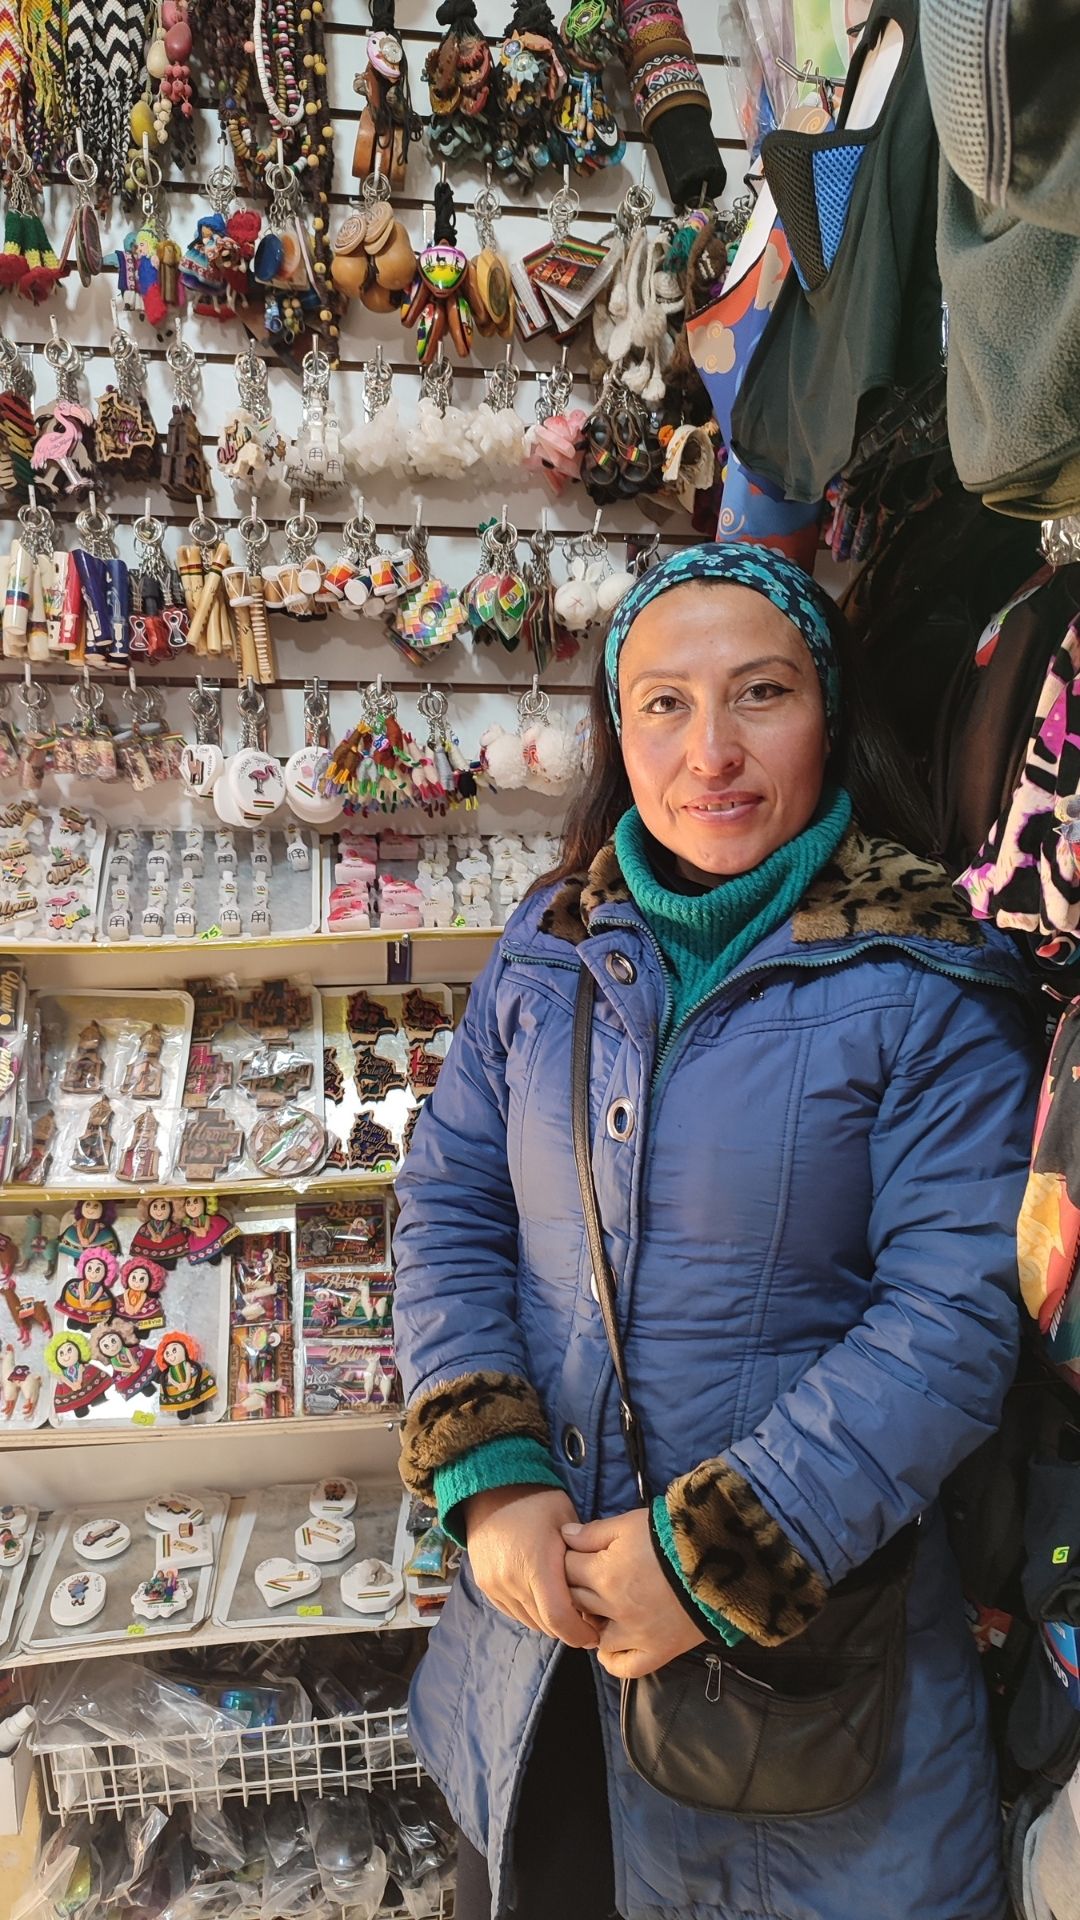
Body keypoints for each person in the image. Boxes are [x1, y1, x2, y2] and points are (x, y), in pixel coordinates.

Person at [393, 542, 1040, 1920]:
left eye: (761, 693)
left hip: (808, 1697)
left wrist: (717, 1556)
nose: (713, 754)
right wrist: (489, 1471)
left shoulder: (930, 983)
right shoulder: (548, 949)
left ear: (830, 710)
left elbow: (957, 1317)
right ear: (616, 733)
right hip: (539, 1661)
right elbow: (447, 1202)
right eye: (664, 706)